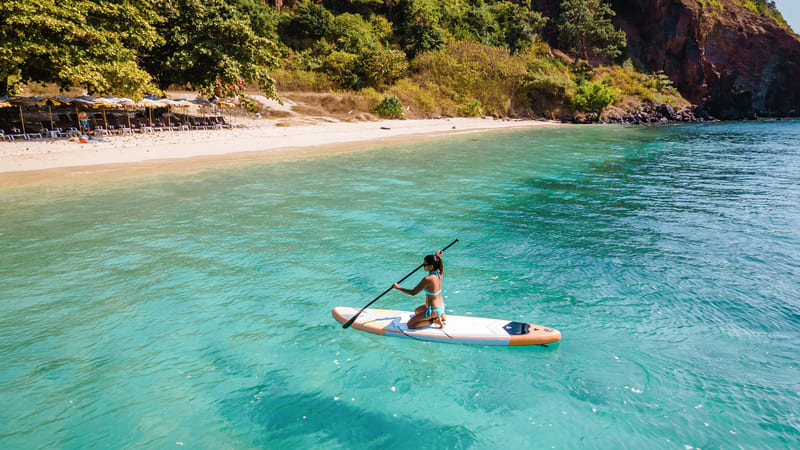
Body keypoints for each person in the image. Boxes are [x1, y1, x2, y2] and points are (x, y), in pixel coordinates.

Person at [392, 250, 446, 329]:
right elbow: (440, 265)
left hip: (434, 310)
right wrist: (438, 257)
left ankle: (434, 321)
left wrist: (398, 287)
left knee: (410, 324)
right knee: (417, 311)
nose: (423, 266)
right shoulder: (440, 273)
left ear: (431, 266)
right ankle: (441, 316)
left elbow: (413, 292)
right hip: (441, 306)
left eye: (425, 264)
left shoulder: (427, 279)